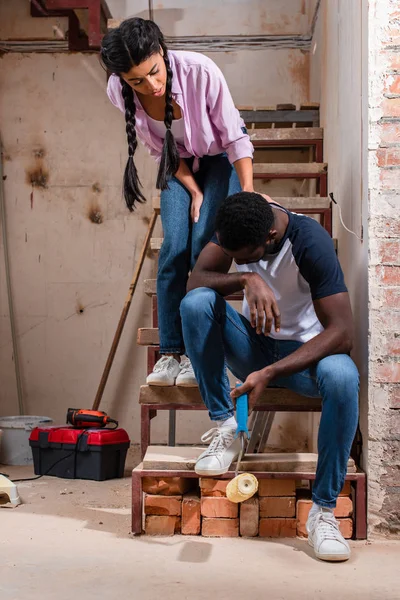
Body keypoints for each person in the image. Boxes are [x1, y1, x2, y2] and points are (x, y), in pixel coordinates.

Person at [180, 192, 359, 561]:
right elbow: (195, 280)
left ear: (271, 238)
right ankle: (227, 424)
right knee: (195, 303)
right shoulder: (238, 221)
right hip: (254, 348)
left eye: (247, 258)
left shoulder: (311, 242)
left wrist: (271, 372)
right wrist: (244, 278)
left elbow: (343, 332)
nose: (239, 262)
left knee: (343, 376)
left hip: (306, 358)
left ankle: (323, 513)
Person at [100, 18, 254, 387]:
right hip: (176, 165)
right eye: (137, 81)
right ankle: (172, 353)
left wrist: (246, 192)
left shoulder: (200, 71)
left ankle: (197, 354)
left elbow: (234, 139)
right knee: (173, 249)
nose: (150, 86)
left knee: (203, 245)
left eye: (154, 72)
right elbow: (160, 149)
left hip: (219, 160)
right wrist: (194, 191)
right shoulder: (117, 90)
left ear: (161, 52)